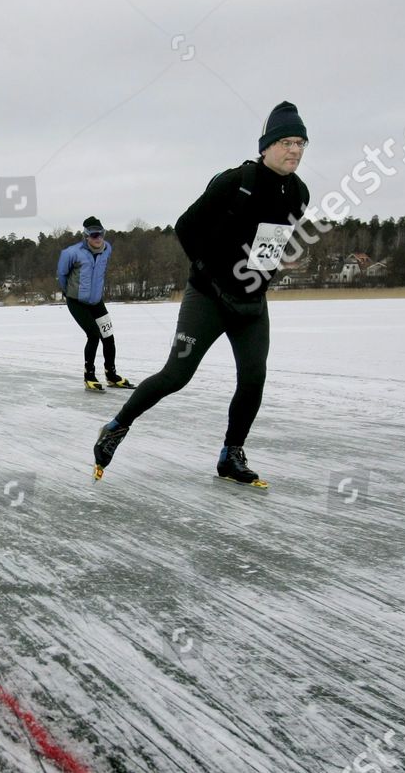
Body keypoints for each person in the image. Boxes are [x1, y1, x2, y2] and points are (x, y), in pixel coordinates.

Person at [92, 101, 311, 487]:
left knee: (253, 379)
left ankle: (231, 453)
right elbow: (185, 227)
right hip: (207, 299)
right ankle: (117, 425)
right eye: (287, 142)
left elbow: (271, 244)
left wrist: (268, 273)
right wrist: (209, 274)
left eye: (301, 142)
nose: (295, 150)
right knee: (176, 376)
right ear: (267, 146)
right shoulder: (235, 182)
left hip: (251, 304)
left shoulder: (299, 194)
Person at [57, 216, 133, 391]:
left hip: (96, 301)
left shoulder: (107, 249)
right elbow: (62, 275)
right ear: (86, 236)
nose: (98, 238)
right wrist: (68, 292)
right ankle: (89, 375)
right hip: (76, 301)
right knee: (93, 335)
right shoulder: (71, 253)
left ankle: (111, 375)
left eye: (101, 234)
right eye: (93, 235)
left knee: (109, 337)